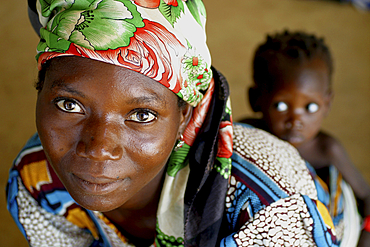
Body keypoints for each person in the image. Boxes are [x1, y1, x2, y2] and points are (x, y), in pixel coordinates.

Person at [7, 1, 339, 246]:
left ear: (185, 116)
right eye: (70, 105)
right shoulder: (36, 178)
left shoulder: (268, 205)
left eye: (141, 114)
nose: (99, 149)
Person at [240, 30, 370, 246]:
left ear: (327, 103)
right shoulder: (248, 135)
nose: (295, 119)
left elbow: (365, 196)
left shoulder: (327, 149)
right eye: (281, 106)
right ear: (256, 100)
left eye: (310, 107)